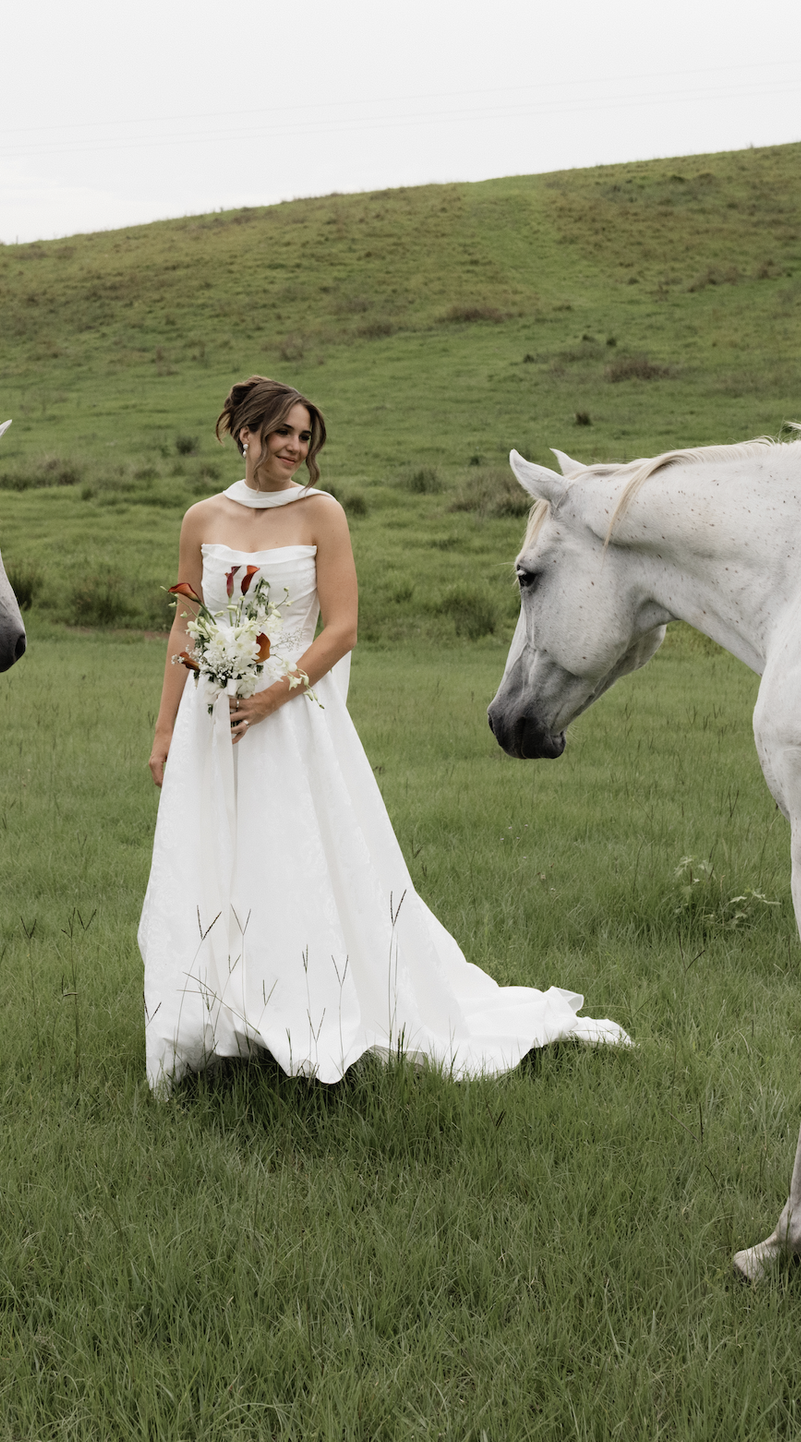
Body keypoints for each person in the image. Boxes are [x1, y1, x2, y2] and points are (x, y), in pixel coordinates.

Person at [140, 375, 631, 1089]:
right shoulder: (201, 519)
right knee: (213, 857)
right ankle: (219, 1017)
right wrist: (164, 729)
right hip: (211, 724)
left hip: (291, 721)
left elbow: (342, 630)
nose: (294, 447)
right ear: (244, 431)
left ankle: (307, 1016)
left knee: (291, 857)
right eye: (282, 432)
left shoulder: (321, 514)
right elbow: (188, 622)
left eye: (304, 437)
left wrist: (275, 693)